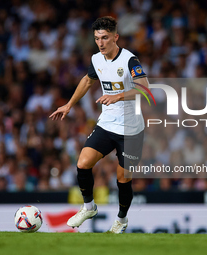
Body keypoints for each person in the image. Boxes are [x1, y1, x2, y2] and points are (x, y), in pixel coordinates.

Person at [49, 16, 149, 233]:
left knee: (123, 179)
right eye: (97, 39)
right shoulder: (97, 59)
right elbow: (87, 80)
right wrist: (69, 105)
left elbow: (145, 89)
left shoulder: (130, 60)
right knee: (83, 163)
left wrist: (118, 96)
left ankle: (121, 220)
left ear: (116, 37)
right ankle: (89, 207)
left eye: (105, 38)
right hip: (107, 124)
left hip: (131, 130)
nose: (101, 43)